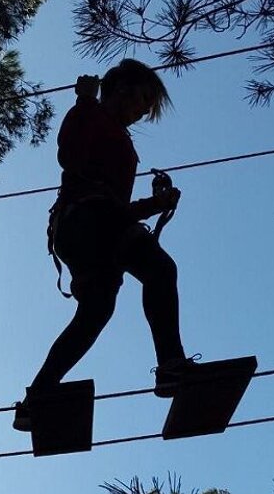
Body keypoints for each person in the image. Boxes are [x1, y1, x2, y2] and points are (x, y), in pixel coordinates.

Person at [14, 59, 195, 431]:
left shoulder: (113, 132)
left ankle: (38, 398)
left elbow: (115, 206)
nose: (143, 112)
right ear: (120, 88)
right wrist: (84, 101)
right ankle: (171, 366)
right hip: (89, 220)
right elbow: (70, 157)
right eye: (142, 100)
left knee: (96, 313)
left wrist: (154, 204)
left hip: (90, 227)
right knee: (160, 270)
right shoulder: (91, 114)